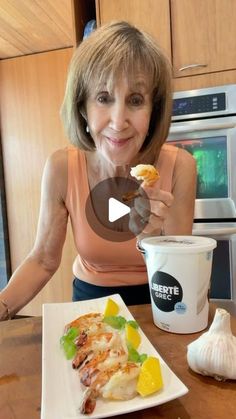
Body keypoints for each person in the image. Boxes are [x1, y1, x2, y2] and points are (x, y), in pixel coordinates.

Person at [0, 21, 196, 320]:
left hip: (157, 303)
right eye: (103, 98)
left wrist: (151, 238)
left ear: (153, 111)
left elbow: (181, 275)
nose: (119, 122)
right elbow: (42, 260)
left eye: (135, 100)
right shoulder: (62, 168)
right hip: (88, 304)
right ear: (83, 107)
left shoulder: (179, 167)